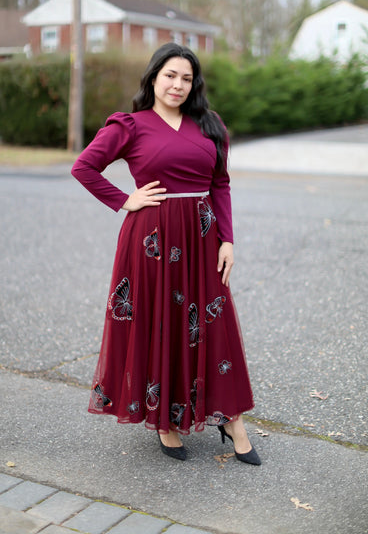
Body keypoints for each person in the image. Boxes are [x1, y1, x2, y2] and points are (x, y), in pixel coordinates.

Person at [71, 43, 260, 465]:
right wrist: (124, 200)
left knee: (214, 321)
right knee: (162, 323)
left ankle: (232, 419)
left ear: (194, 85)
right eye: (170, 75)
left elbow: (220, 184)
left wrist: (228, 239)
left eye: (186, 78)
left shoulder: (210, 124)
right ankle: (165, 420)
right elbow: (83, 167)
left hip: (202, 237)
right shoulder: (130, 125)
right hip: (151, 241)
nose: (177, 85)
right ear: (154, 77)